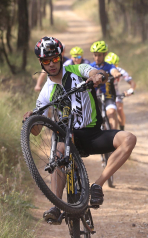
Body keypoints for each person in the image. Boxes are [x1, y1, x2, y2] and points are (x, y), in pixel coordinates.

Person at [23, 36, 137, 223]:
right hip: (68, 139)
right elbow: (35, 131)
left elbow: (93, 71)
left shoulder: (75, 69)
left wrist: (96, 76)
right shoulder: (46, 91)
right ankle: (56, 205)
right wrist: (30, 119)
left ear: (60, 57)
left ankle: (98, 186)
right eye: (46, 61)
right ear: (40, 62)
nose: (51, 64)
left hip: (93, 134)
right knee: (58, 152)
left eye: (54, 59)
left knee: (129, 139)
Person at [89, 41, 121, 130]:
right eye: (95, 55)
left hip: (108, 95)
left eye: (99, 55)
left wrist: (116, 73)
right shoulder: (90, 66)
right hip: (93, 97)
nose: (97, 58)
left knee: (111, 112)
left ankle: (114, 135)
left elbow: (113, 70)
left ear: (105, 54)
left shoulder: (109, 66)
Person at [104, 52, 137, 131]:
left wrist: (130, 90)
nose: (113, 68)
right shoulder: (101, 70)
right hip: (103, 94)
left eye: (115, 65)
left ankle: (122, 130)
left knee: (119, 108)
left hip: (115, 94)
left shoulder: (119, 70)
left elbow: (132, 83)